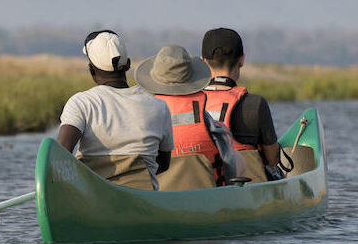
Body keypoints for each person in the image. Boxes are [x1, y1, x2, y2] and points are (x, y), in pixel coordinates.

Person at [57, 30, 173, 190]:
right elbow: (164, 164)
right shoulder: (159, 106)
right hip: (142, 200)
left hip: (92, 198)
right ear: (128, 65)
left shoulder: (81, 103)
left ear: (91, 70)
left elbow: (59, 156)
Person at [134, 44, 245, 190]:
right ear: (190, 78)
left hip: (159, 198)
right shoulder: (211, 124)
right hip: (207, 195)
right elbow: (231, 165)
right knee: (240, 161)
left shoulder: (143, 120)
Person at [201, 28, 281, 182]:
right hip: (248, 189)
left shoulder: (191, 103)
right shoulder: (255, 104)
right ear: (242, 60)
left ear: (203, 61)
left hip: (202, 185)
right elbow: (273, 160)